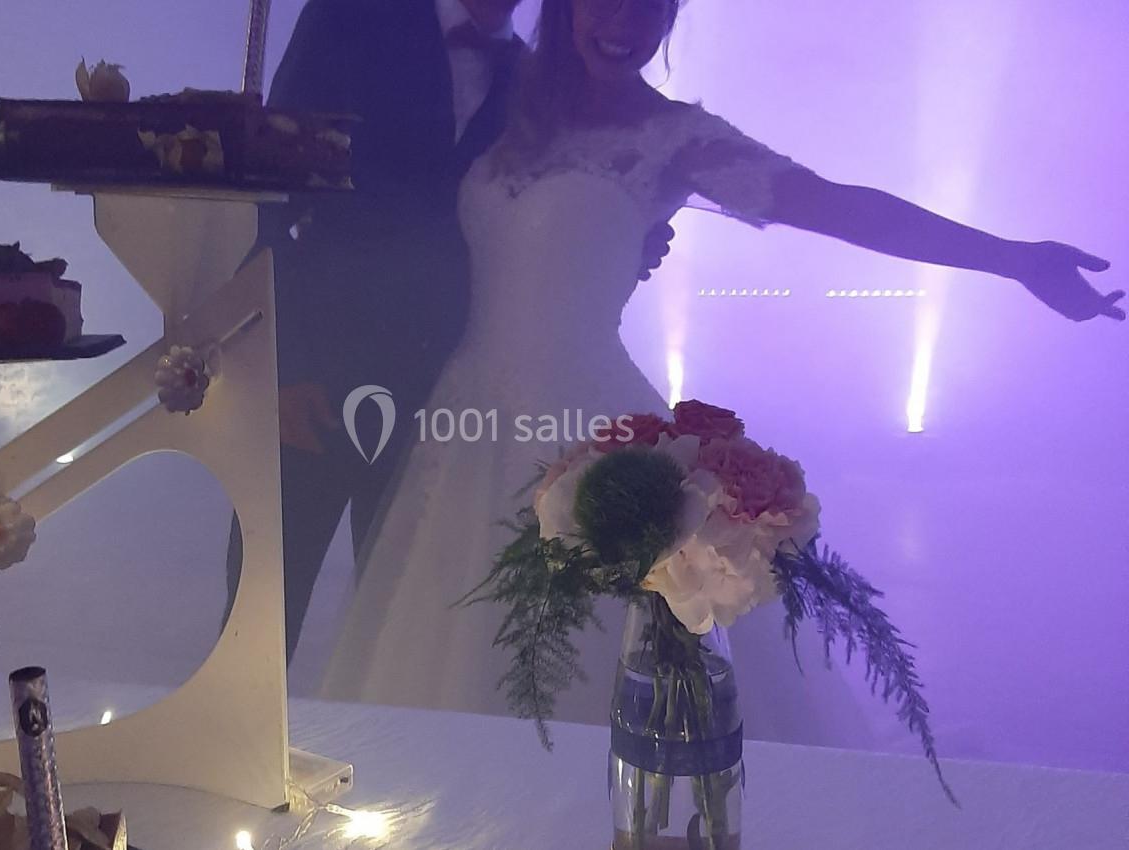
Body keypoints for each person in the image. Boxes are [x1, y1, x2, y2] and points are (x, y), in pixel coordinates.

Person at [315, 0, 1123, 737]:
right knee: (444, 650)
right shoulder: (507, 102)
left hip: (593, 432)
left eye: (653, 2)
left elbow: (839, 205)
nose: (626, 19)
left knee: (598, 665)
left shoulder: (676, 138)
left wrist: (1013, 258)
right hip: (464, 417)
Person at [226, 0, 676, 659]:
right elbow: (263, 185)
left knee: (398, 631)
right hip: (317, 377)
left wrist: (618, 234)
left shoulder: (533, 80)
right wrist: (278, 365)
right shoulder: (350, 17)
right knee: (259, 614)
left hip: (440, 396)